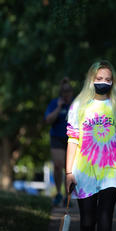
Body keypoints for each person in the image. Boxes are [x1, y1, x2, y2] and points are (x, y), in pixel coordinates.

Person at [65, 60, 116, 231]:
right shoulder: (79, 106)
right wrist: (68, 172)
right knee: (86, 221)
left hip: (111, 169)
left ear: (113, 82)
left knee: (105, 217)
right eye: (99, 79)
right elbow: (72, 139)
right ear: (91, 80)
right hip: (84, 170)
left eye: (108, 80)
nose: (104, 83)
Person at [45, 77, 74, 206]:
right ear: (61, 93)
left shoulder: (76, 104)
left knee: (69, 169)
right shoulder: (54, 103)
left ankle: (68, 196)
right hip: (57, 137)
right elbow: (48, 120)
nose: (66, 94)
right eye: (64, 92)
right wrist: (58, 108)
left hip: (72, 138)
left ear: (71, 93)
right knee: (58, 165)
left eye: (68, 91)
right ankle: (58, 193)